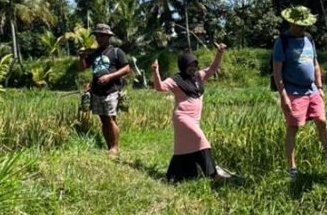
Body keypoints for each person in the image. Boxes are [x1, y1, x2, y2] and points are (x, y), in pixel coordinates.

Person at [273, 6, 327, 178]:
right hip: (293, 91)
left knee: (322, 122)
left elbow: (315, 64)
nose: (302, 28)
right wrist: (283, 95)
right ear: (291, 22)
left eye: (304, 25)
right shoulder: (283, 41)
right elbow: (277, 71)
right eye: (299, 25)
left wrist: (320, 87)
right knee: (293, 127)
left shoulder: (309, 39)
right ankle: (292, 168)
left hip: (312, 90)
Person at [151, 44, 233, 182]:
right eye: (190, 65)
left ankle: (175, 176)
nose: (193, 68)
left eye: (195, 65)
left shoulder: (198, 77)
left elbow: (213, 68)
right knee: (201, 139)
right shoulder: (176, 80)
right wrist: (155, 72)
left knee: (183, 148)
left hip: (195, 119)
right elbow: (159, 88)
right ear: (183, 66)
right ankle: (212, 174)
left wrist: (219, 52)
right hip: (182, 117)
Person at [77, 24, 131, 155]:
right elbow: (82, 68)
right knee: (103, 119)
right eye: (97, 36)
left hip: (111, 90)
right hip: (96, 90)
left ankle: (115, 148)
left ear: (108, 37)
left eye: (101, 36)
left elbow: (126, 69)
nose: (99, 38)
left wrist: (110, 76)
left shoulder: (117, 52)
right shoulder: (94, 53)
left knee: (110, 118)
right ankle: (109, 146)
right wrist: (82, 57)